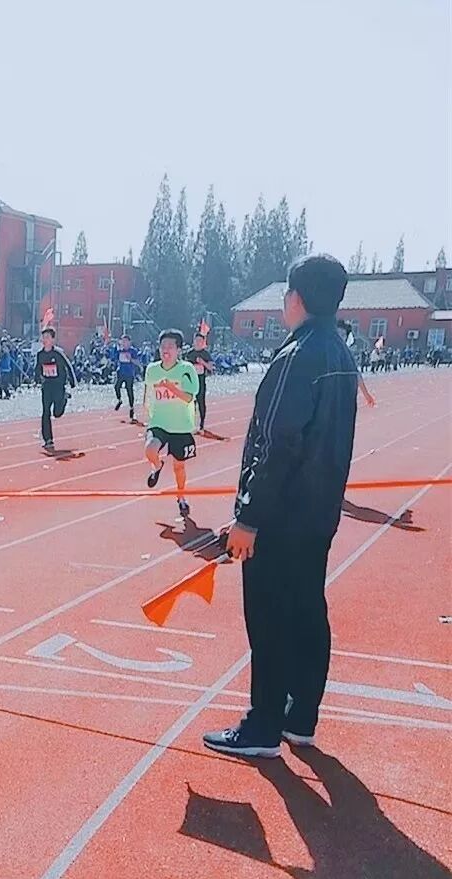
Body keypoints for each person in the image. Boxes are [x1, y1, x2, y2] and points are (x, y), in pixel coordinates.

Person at [205, 253, 358, 758]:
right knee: (308, 609)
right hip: (318, 514)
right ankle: (300, 716)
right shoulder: (340, 355)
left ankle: (264, 724)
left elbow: (274, 444)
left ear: (296, 297)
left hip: (280, 516)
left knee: (269, 617)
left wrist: (248, 517)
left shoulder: (296, 358)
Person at [142, 329, 199, 518]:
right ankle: (157, 465)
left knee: (179, 467)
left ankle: (181, 497)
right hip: (159, 421)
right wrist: (146, 410)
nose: (165, 350)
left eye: (170, 346)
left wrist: (170, 387)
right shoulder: (152, 370)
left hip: (181, 426)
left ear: (179, 350)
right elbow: (148, 392)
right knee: (150, 449)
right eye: (162, 346)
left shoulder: (186, 369)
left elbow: (189, 397)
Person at [34, 327, 76, 451]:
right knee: (45, 411)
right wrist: (37, 379)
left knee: (57, 413)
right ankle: (48, 439)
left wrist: (73, 382)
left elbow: (68, 366)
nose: (44, 340)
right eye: (43, 337)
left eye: (47, 337)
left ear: (53, 340)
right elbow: (38, 368)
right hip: (47, 386)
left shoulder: (58, 353)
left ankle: (64, 398)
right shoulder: (40, 354)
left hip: (58, 385)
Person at [336, 320, 377, 407]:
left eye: (343, 335)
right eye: (337, 334)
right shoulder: (324, 351)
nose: (339, 337)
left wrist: (366, 394)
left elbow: (356, 374)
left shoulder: (347, 355)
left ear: (346, 338)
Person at [183, 332, 214, 433]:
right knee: (190, 403)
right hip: (190, 382)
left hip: (200, 381)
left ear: (203, 342)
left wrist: (203, 362)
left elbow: (211, 367)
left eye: (200, 341)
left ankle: (202, 424)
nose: (198, 342)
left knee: (201, 402)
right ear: (193, 341)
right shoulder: (189, 353)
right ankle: (190, 423)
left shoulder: (206, 354)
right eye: (196, 340)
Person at [112, 334, 141, 421]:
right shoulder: (119, 350)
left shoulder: (133, 351)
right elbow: (114, 358)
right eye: (122, 341)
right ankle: (119, 400)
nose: (123, 343)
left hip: (129, 374)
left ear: (129, 342)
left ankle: (131, 408)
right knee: (116, 386)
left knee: (129, 390)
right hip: (121, 372)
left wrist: (130, 359)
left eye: (125, 341)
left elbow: (137, 362)